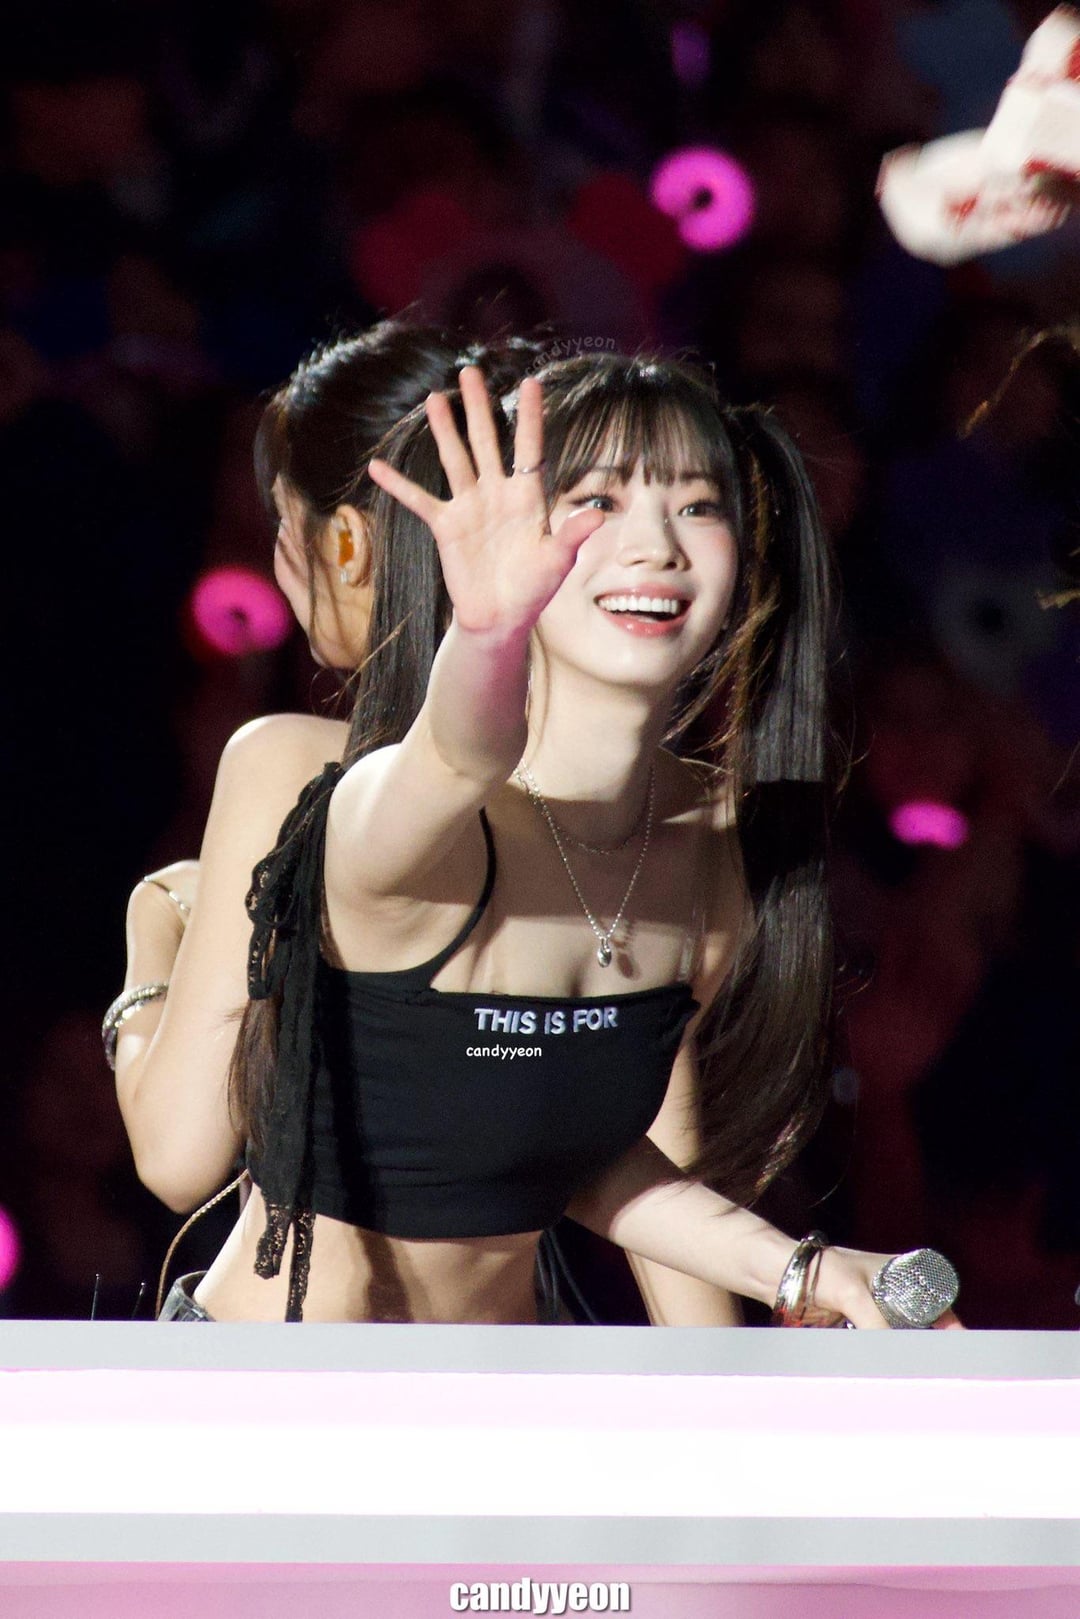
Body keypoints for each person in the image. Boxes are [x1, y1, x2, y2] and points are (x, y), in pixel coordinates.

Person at [138, 351, 959, 1328]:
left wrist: (800, 1271)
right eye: (598, 502)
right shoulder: (383, 808)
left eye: (698, 505)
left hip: (515, 1382)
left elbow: (577, 1141)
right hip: (274, 1385)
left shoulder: (711, 842)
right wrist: (485, 634)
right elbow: (455, 756)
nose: (656, 544)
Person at [111, 325, 743, 1327]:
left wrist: (154, 930)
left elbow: (178, 1154)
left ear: (342, 541)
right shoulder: (634, 804)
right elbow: (654, 1115)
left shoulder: (292, 768)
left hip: (359, 1369)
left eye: (279, 527)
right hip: (464, 1359)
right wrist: (720, 1366)